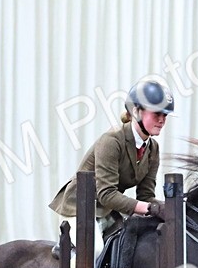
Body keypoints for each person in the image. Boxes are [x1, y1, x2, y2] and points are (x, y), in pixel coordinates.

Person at [49, 78, 174, 241]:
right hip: (77, 207)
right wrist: (151, 208)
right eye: (156, 113)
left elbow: (145, 196)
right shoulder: (112, 141)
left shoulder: (153, 149)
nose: (162, 120)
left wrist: (168, 207)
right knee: (96, 249)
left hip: (106, 210)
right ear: (136, 112)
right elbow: (106, 193)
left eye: (165, 115)